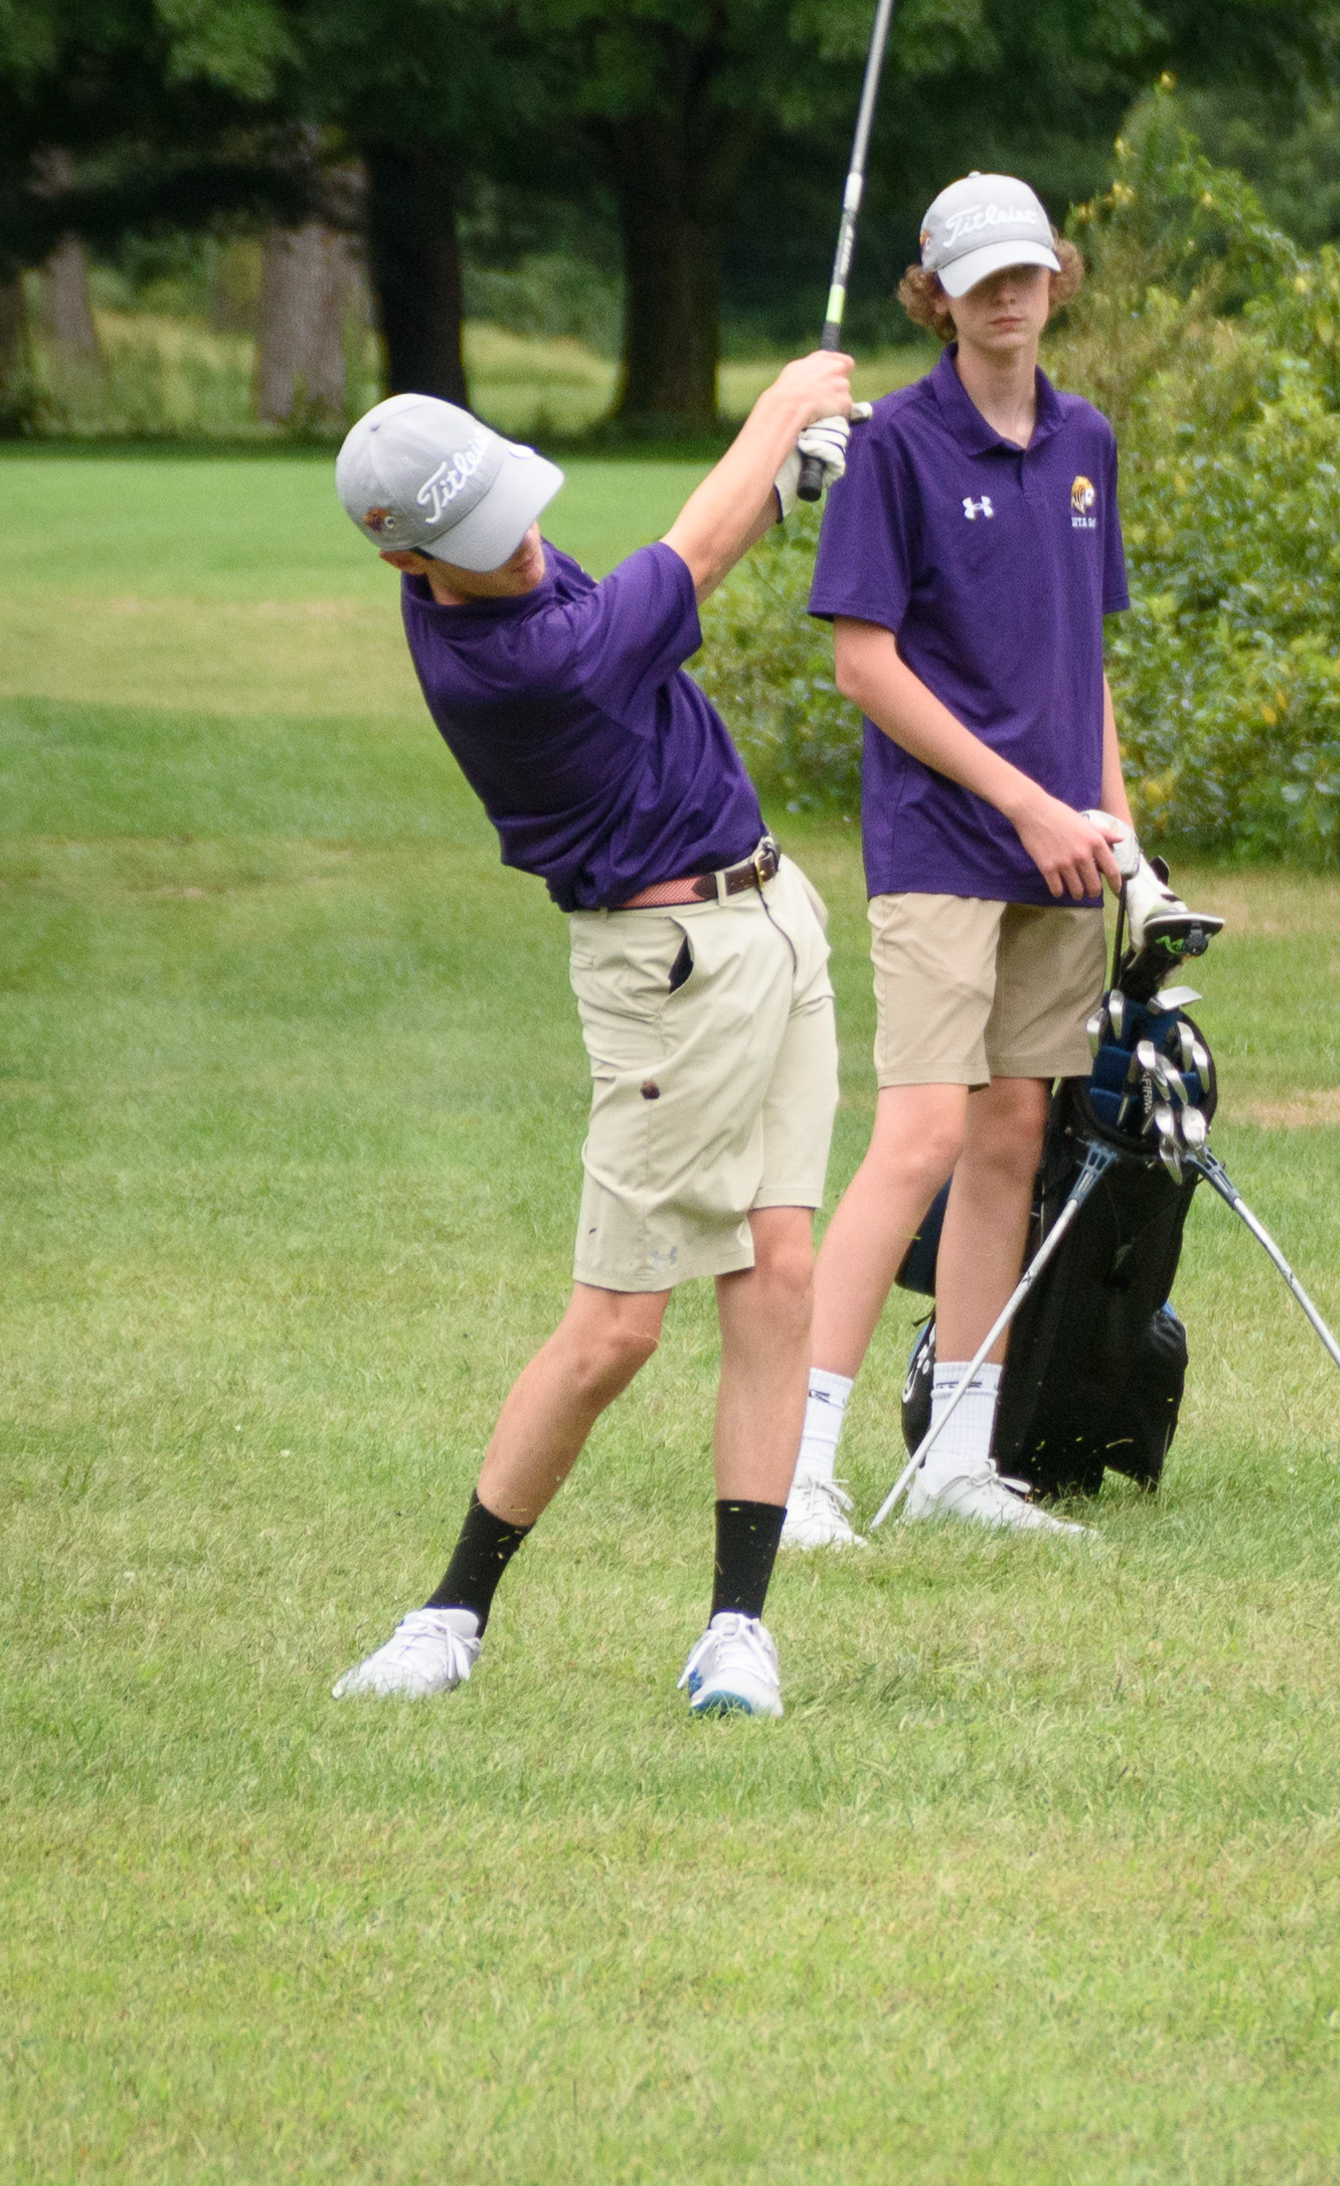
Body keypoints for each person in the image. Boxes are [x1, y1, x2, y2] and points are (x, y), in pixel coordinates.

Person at [330, 354, 854, 1717]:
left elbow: (688, 552)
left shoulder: (493, 563)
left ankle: (737, 1628)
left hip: (774, 921)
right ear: (410, 568)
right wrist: (780, 416)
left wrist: (789, 478)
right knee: (617, 1328)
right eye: (475, 535)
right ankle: (448, 1615)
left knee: (778, 1273)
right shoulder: (519, 665)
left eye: (503, 507)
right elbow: (693, 550)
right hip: (670, 974)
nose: (516, 541)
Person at [781, 172, 1165, 1547]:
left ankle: (955, 1451)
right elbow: (860, 663)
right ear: (935, 293)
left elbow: (1084, 657)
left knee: (1013, 1133)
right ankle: (800, 1463)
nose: (1010, 298)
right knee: (924, 1134)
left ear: (1057, 278)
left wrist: (1118, 831)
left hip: (1064, 852)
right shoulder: (893, 446)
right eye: (981, 279)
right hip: (945, 844)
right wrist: (1026, 804)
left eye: (1030, 272)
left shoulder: (1084, 440)